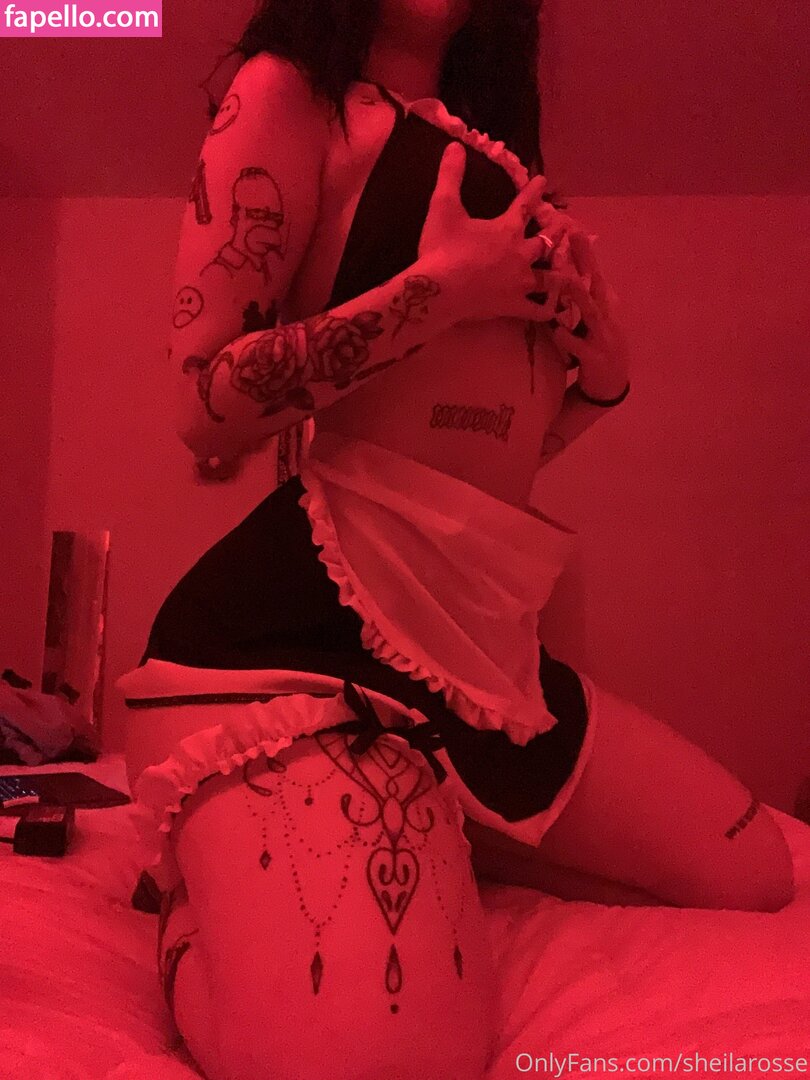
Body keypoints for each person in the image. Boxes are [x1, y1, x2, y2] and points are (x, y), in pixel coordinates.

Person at [117, 2, 795, 1077]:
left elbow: (477, 453)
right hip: (296, 640)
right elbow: (203, 405)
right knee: (384, 1058)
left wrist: (597, 383)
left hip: (471, 636)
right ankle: (195, 906)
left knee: (753, 871)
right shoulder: (290, 91)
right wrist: (437, 295)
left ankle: (448, 814)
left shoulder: (487, 143)